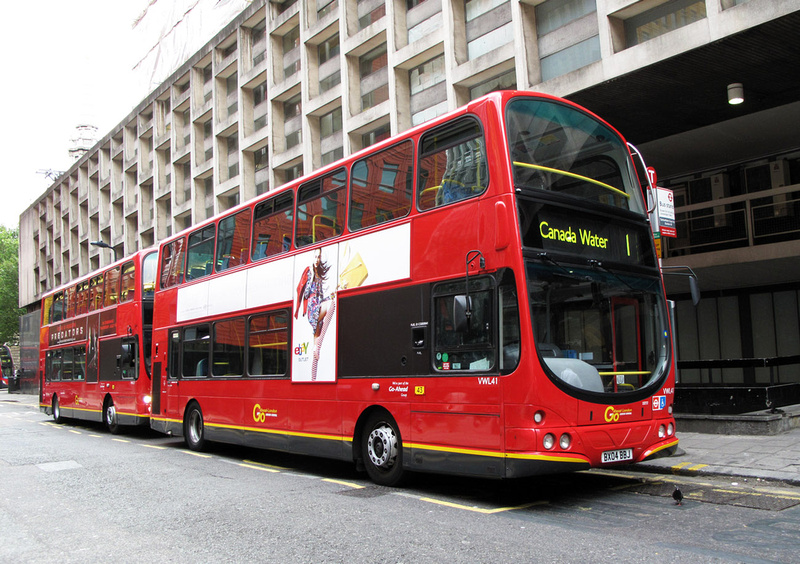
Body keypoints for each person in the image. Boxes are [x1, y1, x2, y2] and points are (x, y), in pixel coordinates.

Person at [295, 248, 336, 381]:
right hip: (313, 309)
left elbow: (322, 298)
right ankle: (317, 344)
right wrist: (311, 278)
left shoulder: (318, 274)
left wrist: (331, 295)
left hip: (318, 306)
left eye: (319, 257)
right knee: (332, 305)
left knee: (315, 355)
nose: (317, 260)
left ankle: (313, 379)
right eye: (315, 257)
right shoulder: (310, 273)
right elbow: (306, 294)